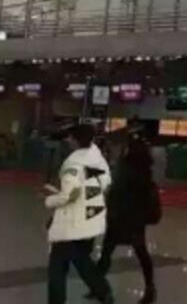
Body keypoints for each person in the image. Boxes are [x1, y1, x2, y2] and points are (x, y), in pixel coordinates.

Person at [44, 124, 113, 304]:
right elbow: (104, 183)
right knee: (81, 260)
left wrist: (49, 199)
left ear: (75, 140)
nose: (68, 140)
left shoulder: (73, 163)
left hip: (72, 224)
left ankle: (58, 301)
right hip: (91, 218)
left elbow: (69, 195)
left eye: (70, 137)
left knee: (57, 267)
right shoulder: (97, 157)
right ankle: (103, 291)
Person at [95, 137, 159, 304]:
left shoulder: (125, 167)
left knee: (107, 250)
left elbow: (117, 189)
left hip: (120, 217)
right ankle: (150, 287)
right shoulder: (145, 169)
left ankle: (97, 286)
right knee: (141, 252)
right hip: (136, 218)